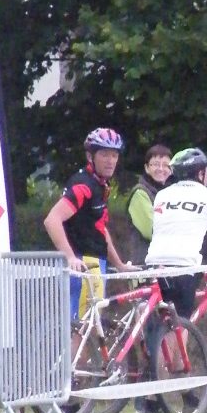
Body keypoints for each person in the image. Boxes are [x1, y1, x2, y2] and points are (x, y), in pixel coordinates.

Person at [43, 126, 131, 318]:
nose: (110, 161)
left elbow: (99, 228)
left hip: (95, 263)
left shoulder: (99, 185)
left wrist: (119, 264)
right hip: (84, 265)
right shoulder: (84, 185)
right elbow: (52, 220)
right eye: (105, 155)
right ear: (91, 156)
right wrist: (69, 256)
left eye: (114, 155)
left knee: (89, 328)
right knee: (81, 330)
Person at [145, 147, 207, 318]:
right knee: (180, 326)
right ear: (200, 173)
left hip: (154, 264)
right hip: (184, 266)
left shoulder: (161, 195)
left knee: (159, 324)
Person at [126, 144, 172, 264]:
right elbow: (151, 230)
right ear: (146, 168)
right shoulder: (140, 193)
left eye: (166, 165)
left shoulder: (170, 194)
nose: (161, 169)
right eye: (156, 164)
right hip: (146, 266)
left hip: (167, 263)